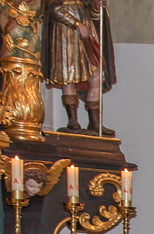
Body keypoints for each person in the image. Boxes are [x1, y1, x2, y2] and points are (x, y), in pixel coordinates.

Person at [42, 0, 117, 136]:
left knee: (96, 76)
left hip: (87, 31)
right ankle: (73, 120)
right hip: (66, 32)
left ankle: (95, 122)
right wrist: (76, 24)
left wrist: (96, 8)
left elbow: (93, 13)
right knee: (69, 76)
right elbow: (53, 9)